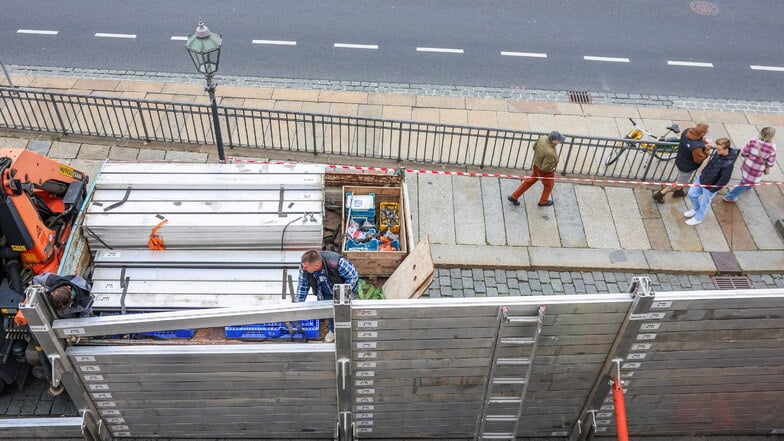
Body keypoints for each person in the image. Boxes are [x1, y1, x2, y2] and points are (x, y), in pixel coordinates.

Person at [296, 249, 359, 342]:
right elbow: (303, 286)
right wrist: (298, 305)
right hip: (324, 292)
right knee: (330, 313)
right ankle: (332, 331)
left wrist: (343, 294)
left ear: (317, 265)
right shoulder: (304, 268)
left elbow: (353, 276)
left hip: (342, 290)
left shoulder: (337, 262)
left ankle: (349, 332)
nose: (303, 268)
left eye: (306, 267)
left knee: (346, 312)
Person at [683, 138, 738, 226]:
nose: (717, 151)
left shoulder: (728, 164)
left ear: (726, 149)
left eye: (719, 149)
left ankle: (698, 218)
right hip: (703, 178)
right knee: (691, 193)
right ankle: (696, 209)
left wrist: (713, 189)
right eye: (717, 148)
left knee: (705, 203)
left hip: (710, 186)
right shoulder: (719, 152)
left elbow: (724, 180)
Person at [653, 123, 712, 203]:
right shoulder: (696, 148)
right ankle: (660, 194)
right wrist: (707, 149)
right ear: (702, 133)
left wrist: (701, 141)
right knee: (679, 182)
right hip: (687, 167)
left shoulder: (686, 131)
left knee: (681, 179)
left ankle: (678, 192)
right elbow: (698, 159)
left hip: (680, 160)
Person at [507, 131, 564, 208]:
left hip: (536, 165)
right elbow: (545, 168)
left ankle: (514, 196)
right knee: (549, 186)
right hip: (545, 172)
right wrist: (552, 167)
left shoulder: (543, 138)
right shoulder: (550, 153)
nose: (559, 142)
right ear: (553, 141)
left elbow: (534, 147)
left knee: (529, 181)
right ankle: (543, 201)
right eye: (559, 140)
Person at [723, 127, 777, 203]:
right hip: (756, 171)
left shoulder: (753, 141)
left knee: (745, 179)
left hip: (747, 165)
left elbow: (744, 153)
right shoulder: (772, 148)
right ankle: (730, 197)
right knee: (744, 183)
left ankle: (748, 185)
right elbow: (770, 163)